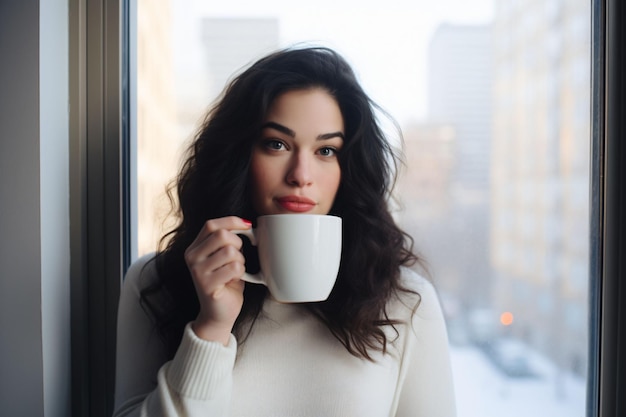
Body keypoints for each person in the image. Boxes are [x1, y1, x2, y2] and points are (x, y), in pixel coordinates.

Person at [113, 46, 456, 417]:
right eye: (276, 144)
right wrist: (211, 328)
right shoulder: (156, 282)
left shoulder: (405, 302)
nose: (301, 175)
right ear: (240, 155)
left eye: (326, 151)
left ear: (349, 168)